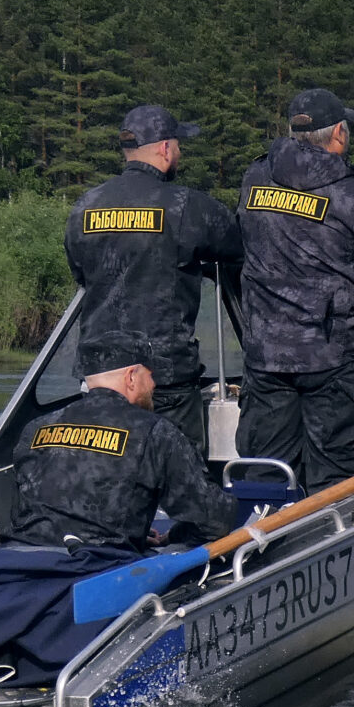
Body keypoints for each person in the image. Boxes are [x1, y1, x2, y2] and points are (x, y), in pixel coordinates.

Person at [232, 86, 354, 490]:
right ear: (339, 135)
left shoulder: (255, 177)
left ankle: (261, 550)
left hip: (265, 358)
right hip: (333, 361)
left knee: (264, 478)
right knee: (334, 484)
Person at [64, 103, 243, 453]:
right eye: (178, 145)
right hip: (163, 377)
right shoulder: (185, 206)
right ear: (164, 148)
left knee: (107, 473)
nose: (179, 152)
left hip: (100, 375)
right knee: (177, 473)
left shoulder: (85, 205)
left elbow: (80, 272)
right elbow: (239, 247)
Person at [7, 333, 247, 551]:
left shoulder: (37, 427)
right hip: (97, 569)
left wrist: (134, 534)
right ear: (131, 377)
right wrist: (173, 535)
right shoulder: (154, 431)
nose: (154, 385)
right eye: (150, 375)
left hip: (25, 559)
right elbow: (214, 519)